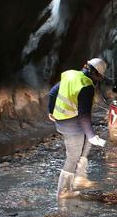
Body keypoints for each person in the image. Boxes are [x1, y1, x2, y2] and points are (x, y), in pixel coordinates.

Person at [47, 57, 109, 200]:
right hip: (72, 125)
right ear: (96, 74)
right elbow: (84, 116)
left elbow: (52, 93)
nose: (98, 80)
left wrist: (51, 110)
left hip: (62, 121)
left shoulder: (71, 75)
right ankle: (63, 191)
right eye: (99, 77)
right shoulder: (86, 86)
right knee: (73, 157)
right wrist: (93, 136)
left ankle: (80, 177)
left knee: (86, 143)